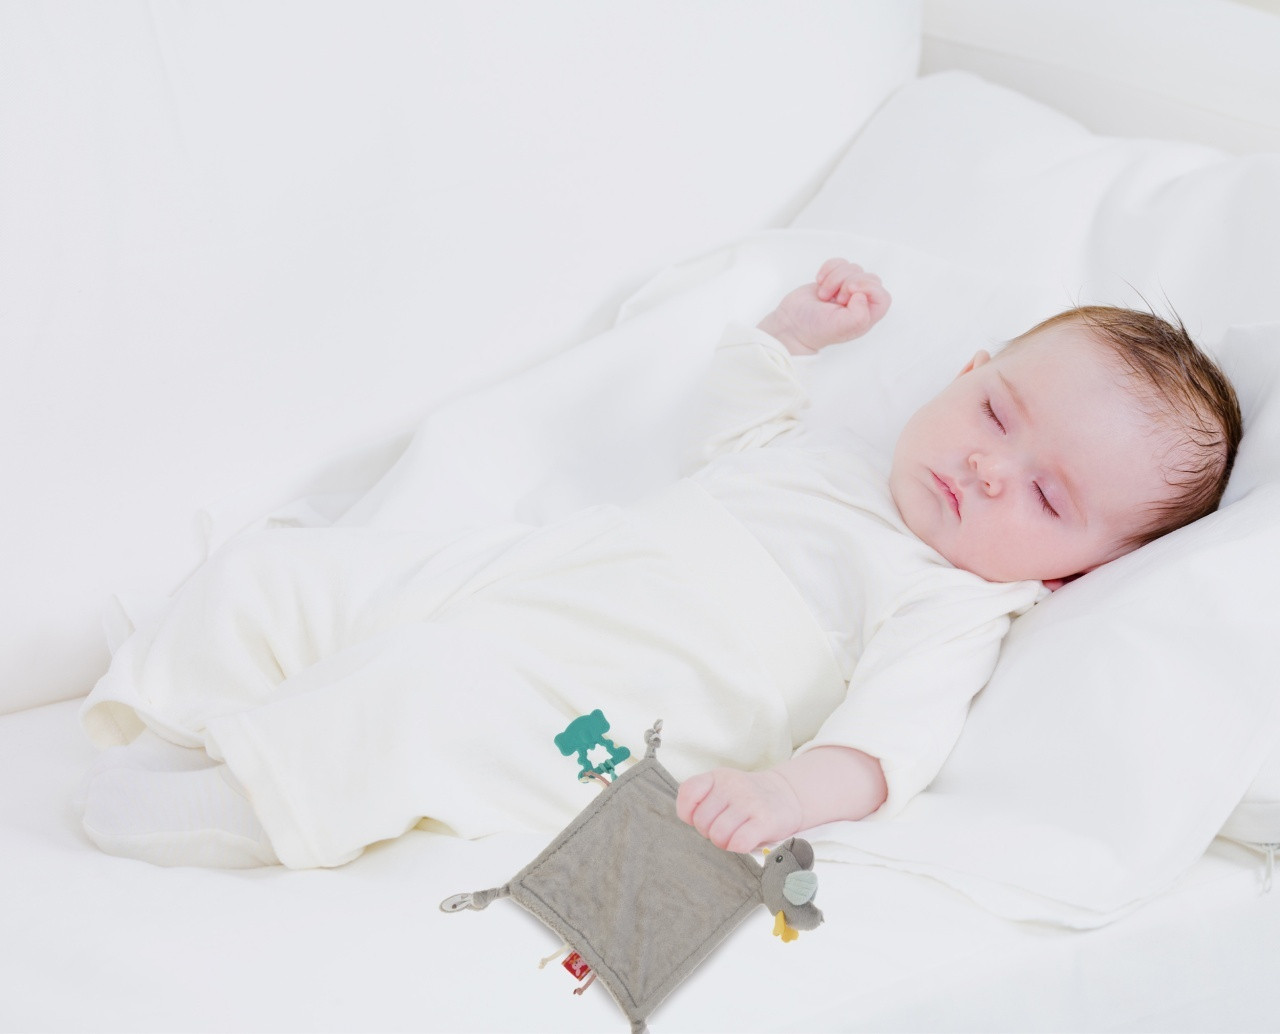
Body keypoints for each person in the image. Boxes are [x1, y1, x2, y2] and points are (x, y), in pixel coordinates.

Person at [76, 259, 1242, 869]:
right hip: (515, 577)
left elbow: (887, 746)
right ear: (963, 372)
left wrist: (784, 794)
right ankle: (171, 708)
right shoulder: (831, 461)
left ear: (1071, 575)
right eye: (995, 413)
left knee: (419, 695)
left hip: (582, 705)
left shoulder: (949, 603)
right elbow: (735, 427)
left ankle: (246, 802)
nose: (989, 468)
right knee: (289, 574)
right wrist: (792, 334)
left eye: (1045, 495)